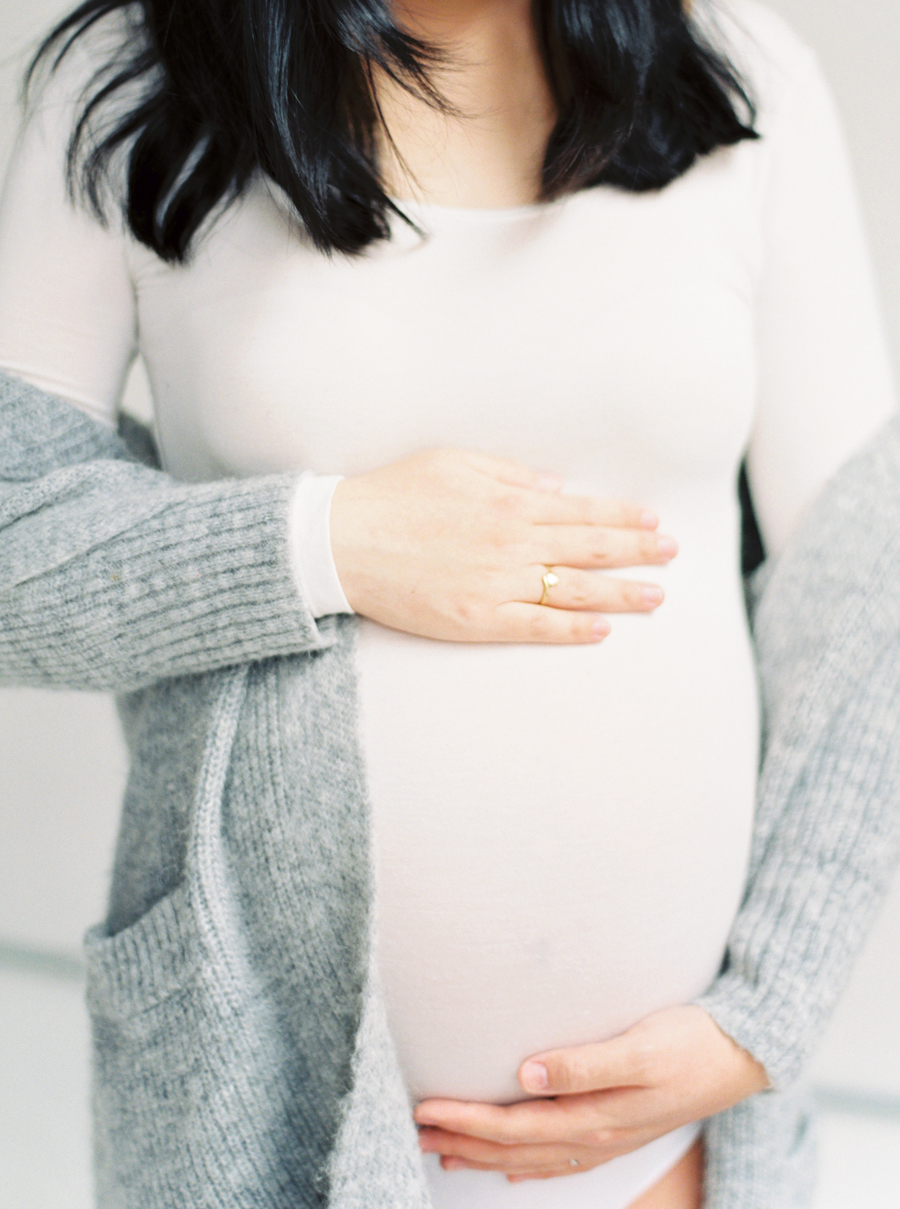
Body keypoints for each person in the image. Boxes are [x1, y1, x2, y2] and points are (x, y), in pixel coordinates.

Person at [0, 0, 897, 1206]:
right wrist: (326, 543)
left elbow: (868, 586)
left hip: (671, 1146)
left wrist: (764, 1013)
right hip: (261, 1114)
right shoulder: (130, 85)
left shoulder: (737, 67)